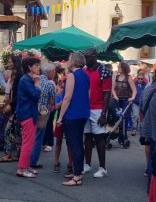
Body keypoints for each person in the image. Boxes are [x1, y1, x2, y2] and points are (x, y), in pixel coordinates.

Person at [57, 51, 90, 186]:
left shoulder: (71, 76)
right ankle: (78, 171)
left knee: (74, 144)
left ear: (74, 60)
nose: (67, 61)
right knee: (77, 143)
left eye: (69, 59)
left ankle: (77, 176)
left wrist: (60, 117)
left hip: (72, 114)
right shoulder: (85, 75)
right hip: (83, 113)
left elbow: (67, 97)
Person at [83, 48, 112, 178]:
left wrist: (103, 114)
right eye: (85, 57)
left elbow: (107, 94)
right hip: (85, 108)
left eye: (88, 57)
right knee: (87, 137)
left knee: (99, 138)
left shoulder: (104, 70)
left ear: (95, 56)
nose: (86, 59)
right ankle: (87, 164)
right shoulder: (84, 70)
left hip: (98, 109)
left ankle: (103, 167)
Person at [15, 57, 41, 178]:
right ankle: (21, 168)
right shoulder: (26, 79)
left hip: (29, 113)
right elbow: (35, 95)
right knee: (28, 142)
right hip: (27, 114)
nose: (38, 67)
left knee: (29, 142)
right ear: (30, 67)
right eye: (36, 65)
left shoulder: (27, 79)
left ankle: (26, 166)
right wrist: (37, 84)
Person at [29, 62, 56, 169]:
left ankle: (27, 158)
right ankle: (33, 161)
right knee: (39, 136)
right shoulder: (50, 83)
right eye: (53, 72)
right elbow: (52, 100)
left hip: (32, 109)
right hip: (43, 111)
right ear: (49, 72)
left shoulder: (35, 79)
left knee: (31, 135)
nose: (54, 74)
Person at [0, 55, 23, 162]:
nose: (8, 64)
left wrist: (10, 104)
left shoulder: (19, 75)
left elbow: (18, 94)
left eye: (10, 62)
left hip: (16, 107)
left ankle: (8, 154)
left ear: (15, 63)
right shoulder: (14, 75)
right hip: (15, 106)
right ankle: (18, 154)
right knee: (16, 132)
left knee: (9, 131)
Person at [111, 61, 136, 143]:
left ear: (123, 68)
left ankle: (123, 137)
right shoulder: (116, 77)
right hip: (117, 100)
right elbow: (112, 89)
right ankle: (117, 134)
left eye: (119, 67)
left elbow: (134, 90)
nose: (118, 68)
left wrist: (132, 97)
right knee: (117, 117)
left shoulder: (128, 78)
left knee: (124, 118)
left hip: (126, 100)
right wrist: (114, 96)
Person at [131, 71, 147, 135]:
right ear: (137, 78)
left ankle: (142, 128)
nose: (140, 80)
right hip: (135, 102)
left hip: (143, 103)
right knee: (135, 115)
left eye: (141, 78)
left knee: (143, 116)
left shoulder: (146, 85)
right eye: (139, 78)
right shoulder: (134, 84)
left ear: (143, 79)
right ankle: (134, 128)